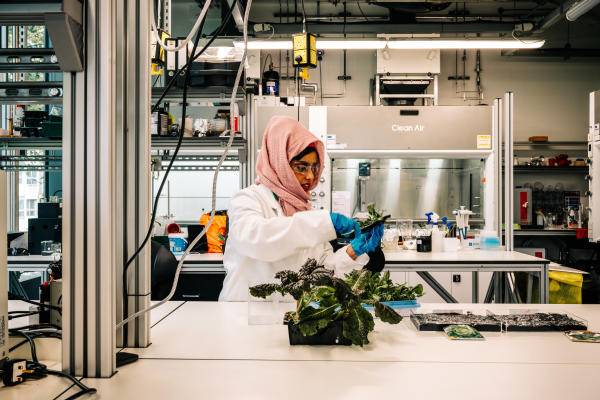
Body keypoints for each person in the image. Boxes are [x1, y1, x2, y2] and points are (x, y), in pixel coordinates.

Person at [218, 116, 383, 301]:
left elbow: (323, 271)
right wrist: (324, 223)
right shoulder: (248, 199)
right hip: (242, 313)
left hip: (289, 314)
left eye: (314, 167)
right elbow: (257, 240)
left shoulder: (306, 212)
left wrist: (354, 251)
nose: (310, 176)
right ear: (279, 163)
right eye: (301, 167)